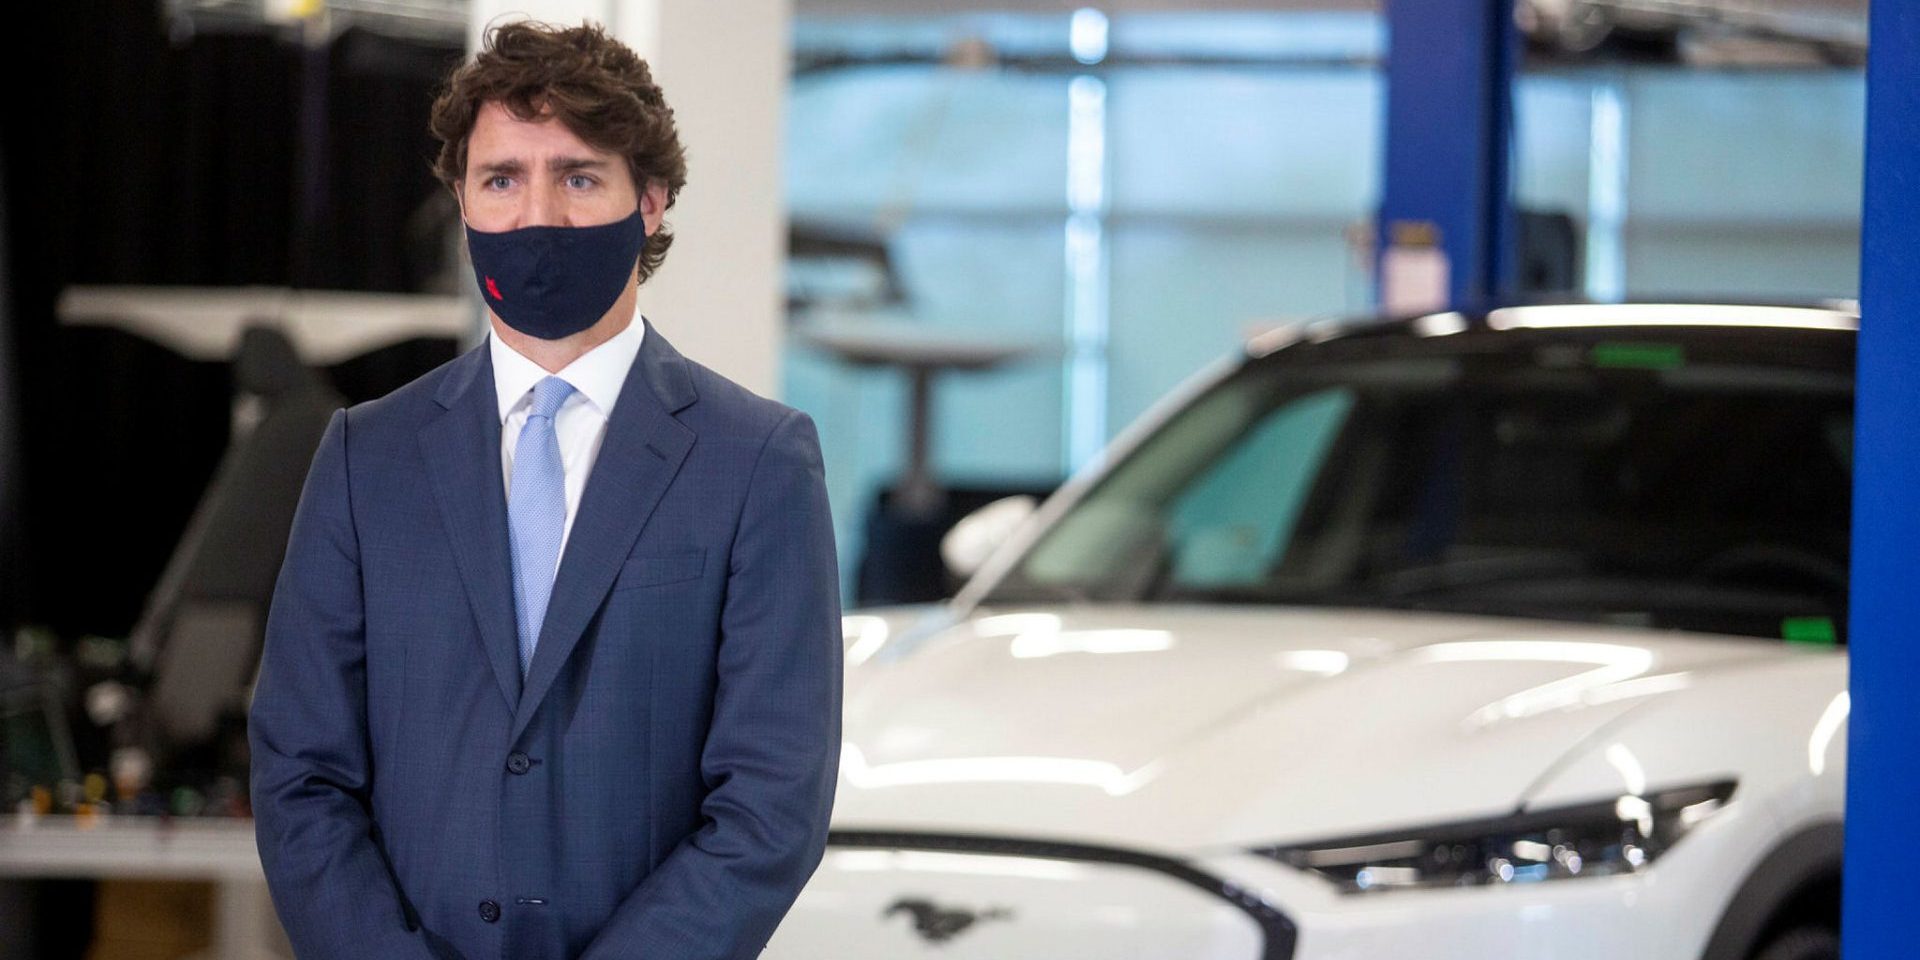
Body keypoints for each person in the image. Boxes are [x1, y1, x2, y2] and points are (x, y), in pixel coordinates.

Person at [247, 20, 842, 959]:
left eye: (577, 177)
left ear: (648, 201)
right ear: (461, 199)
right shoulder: (367, 457)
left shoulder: (758, 461)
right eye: (501, 179)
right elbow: (300, 774)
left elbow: (773, 804)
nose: (537, 216)